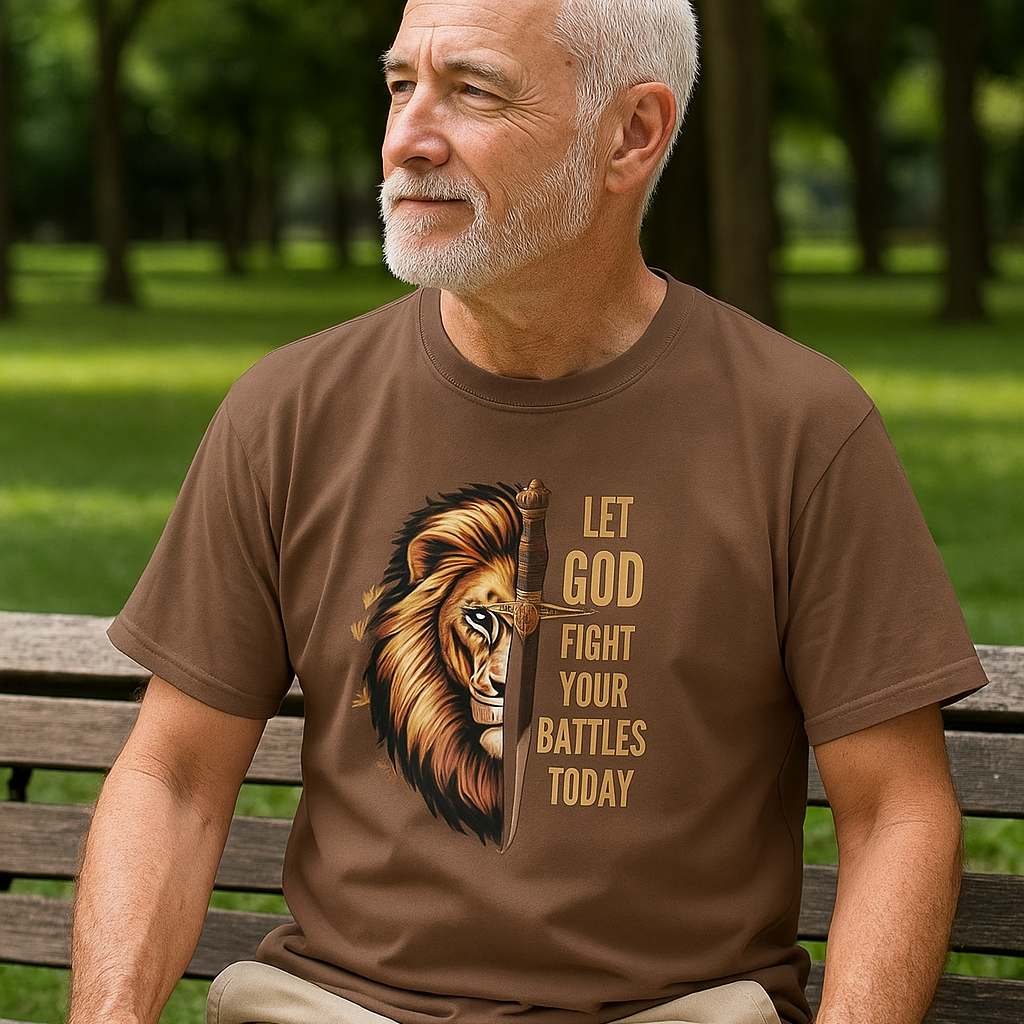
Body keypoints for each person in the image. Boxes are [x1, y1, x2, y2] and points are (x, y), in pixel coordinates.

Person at [69, 2, 988, 1024]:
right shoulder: (288, 412)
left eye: (471, 90)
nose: (407, 138)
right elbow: (176, 778)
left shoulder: (800, 429)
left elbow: (895, 810)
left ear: (630, 134)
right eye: (398, 85)